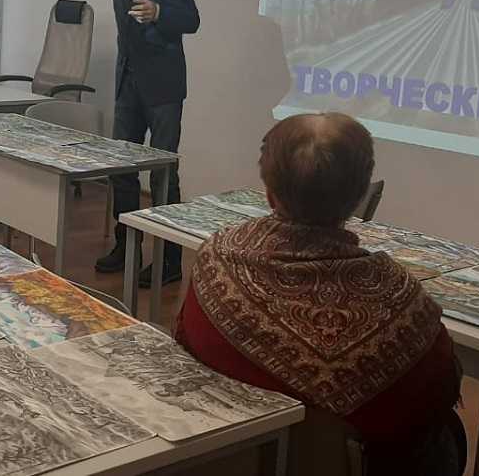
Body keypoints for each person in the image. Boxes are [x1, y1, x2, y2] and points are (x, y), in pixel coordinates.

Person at [174, 113, 463, 475]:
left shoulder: (215, 258)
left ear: (270, 194)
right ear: (360, 197)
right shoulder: (401, 297)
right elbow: (438, 385)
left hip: (229, 458)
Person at [94, 0, 199, 287]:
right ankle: (128, 247)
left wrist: (159, 13)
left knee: (162, 173)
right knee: (121, 168)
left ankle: (169, 260)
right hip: (128, 85)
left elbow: (191, 20)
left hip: (163, 88)